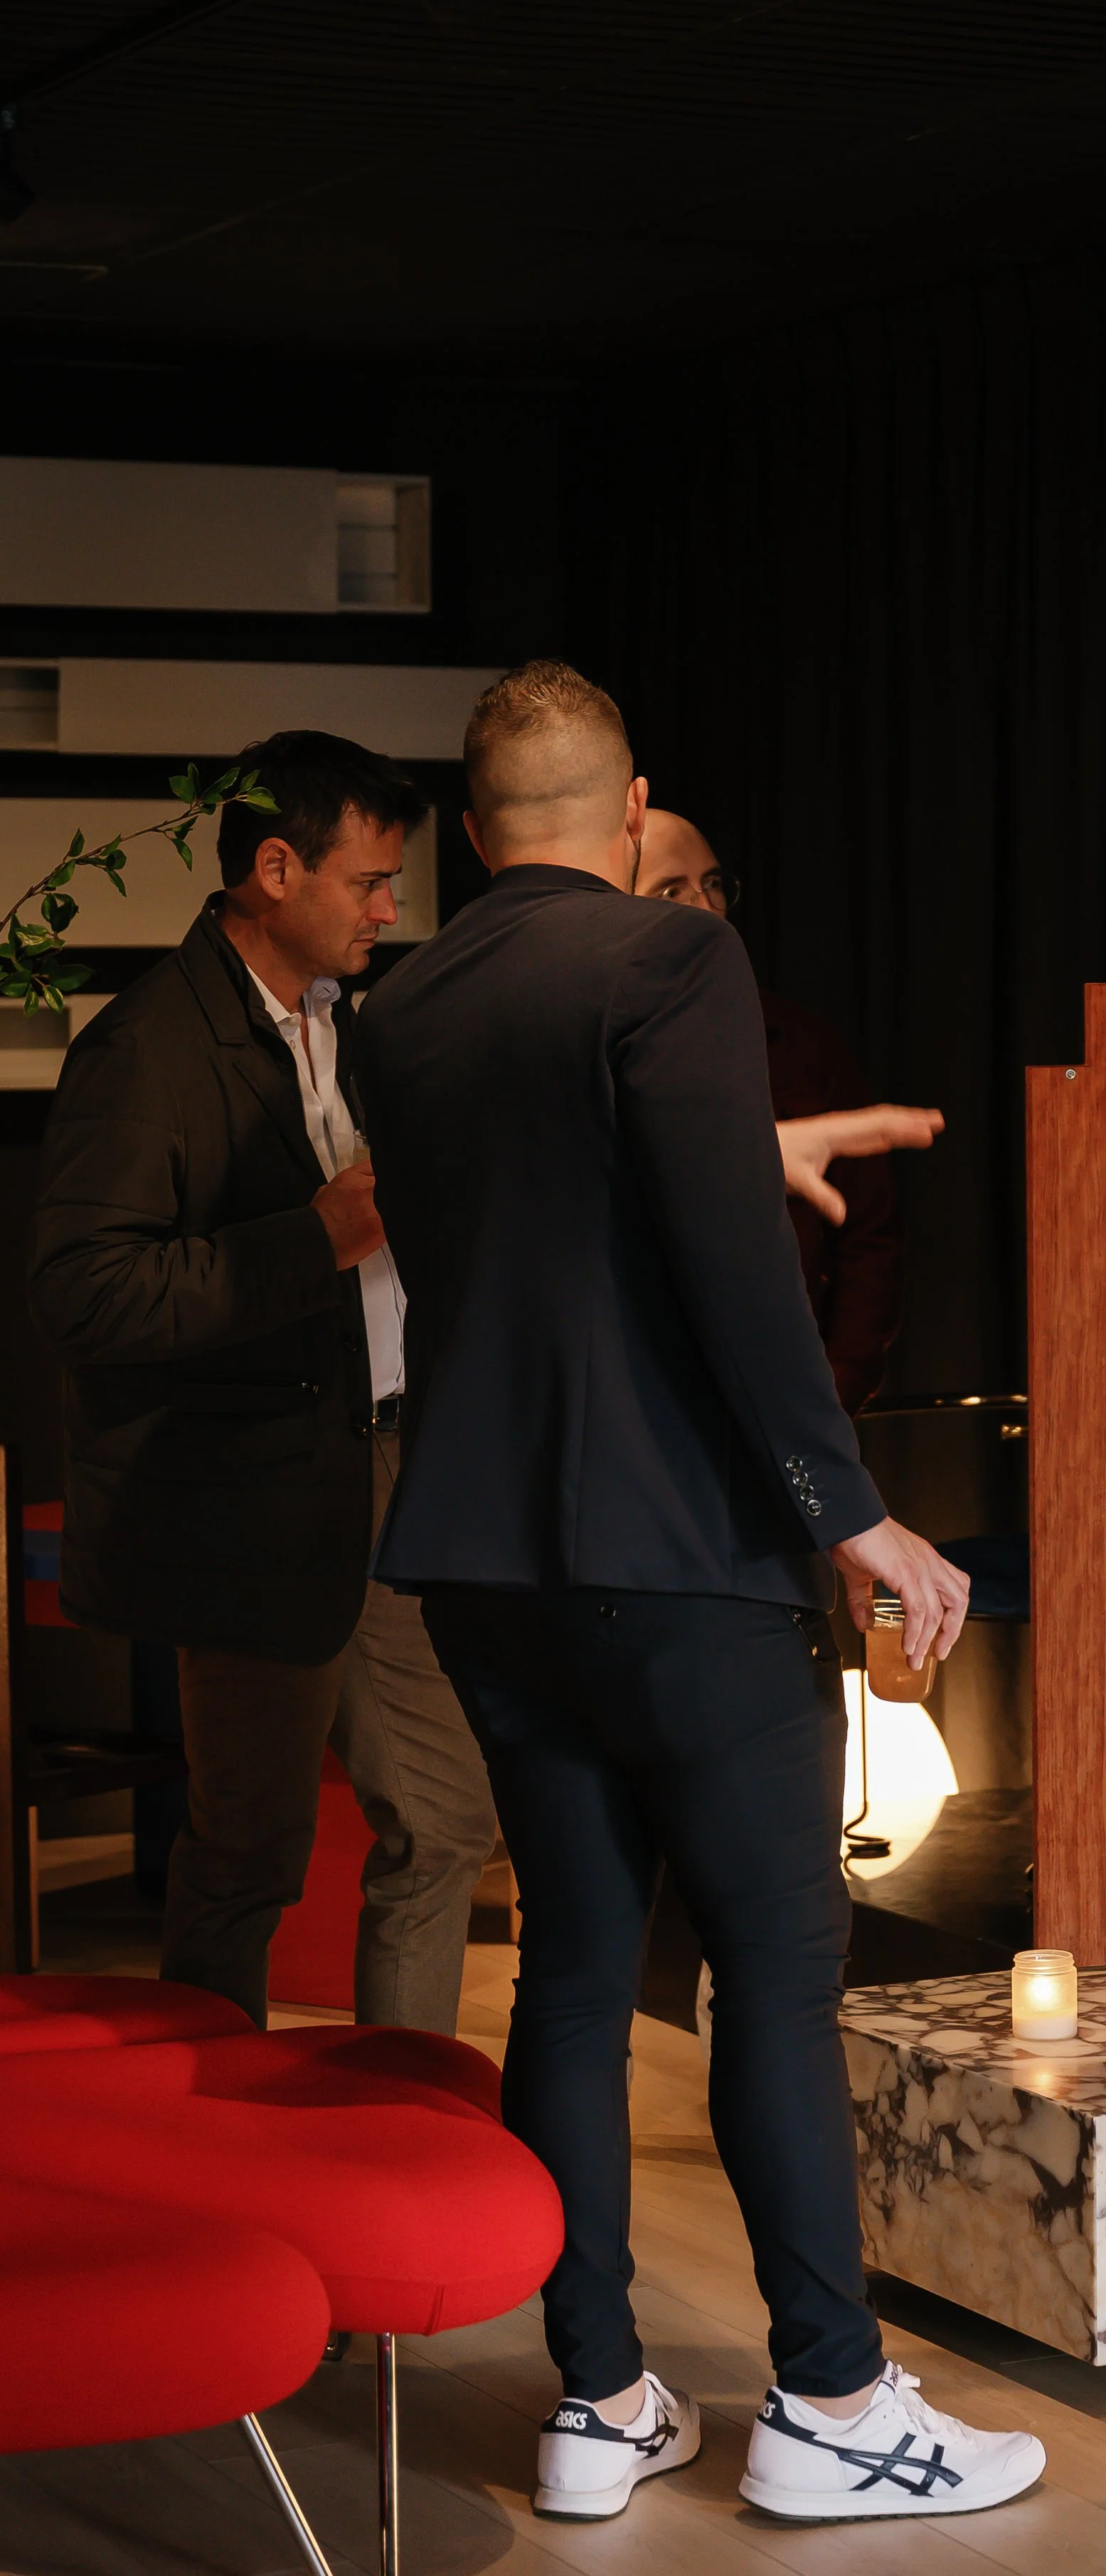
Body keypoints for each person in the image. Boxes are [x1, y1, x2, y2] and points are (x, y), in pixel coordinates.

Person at [356, 659, 1045, 2526]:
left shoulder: (396, 1007)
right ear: (634, 804)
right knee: (775, 1971)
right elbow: (733, 1279)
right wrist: (854, 1514)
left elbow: (542, 1228)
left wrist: (747, 1153)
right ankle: (830, 2396)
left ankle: (597, 2394)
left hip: (480, 1560)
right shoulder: (673, 963)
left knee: (574, 1969)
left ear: (470, 825)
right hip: (678, 1557)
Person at [28, 732, 498, 2033]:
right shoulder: (146, 1049)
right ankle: (216, 2151)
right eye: (369, 882)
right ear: (274, 869)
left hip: (393, 1474)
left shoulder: (354, 1029)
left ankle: (404, 2123)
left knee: (448, 1819)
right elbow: (87, 1293)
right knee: (248, 1858)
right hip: (244, 1505)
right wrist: (321, 1236)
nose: (391, 909)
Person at [639, 807, 900, 1413]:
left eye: (712, 884)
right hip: (653, 1410)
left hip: (792, 1398)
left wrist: (839, 1384)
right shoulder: (591, 1045)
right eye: (670, 889)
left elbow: (871, 1235)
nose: (705, 908)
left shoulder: (797, 1039)